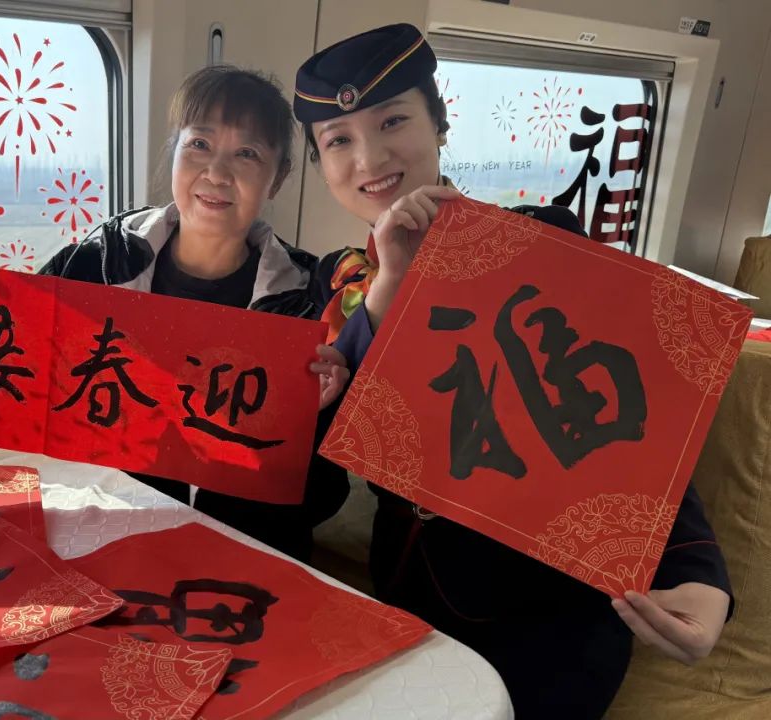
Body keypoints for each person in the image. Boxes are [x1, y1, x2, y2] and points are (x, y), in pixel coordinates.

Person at [293, 23, 732, 719]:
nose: (369, 157)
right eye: (338, 140)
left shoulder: (543, 239)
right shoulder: (339, 284)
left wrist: (698, 572)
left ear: (440, 123)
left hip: (549, 611)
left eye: (393, 121)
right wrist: (391, 286)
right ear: (320, 165)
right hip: (410, 597)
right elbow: (318, 466)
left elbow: (628, 414)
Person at [37, 65, 350, 561]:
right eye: (199, 144)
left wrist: (309, 422)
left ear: (278, 177)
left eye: (247, 153)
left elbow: (324, 500)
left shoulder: (310, 304)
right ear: (175, 150)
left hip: (243, 558)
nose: (217, 173)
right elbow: (22, 400)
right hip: (103, 539)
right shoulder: (91, 266)